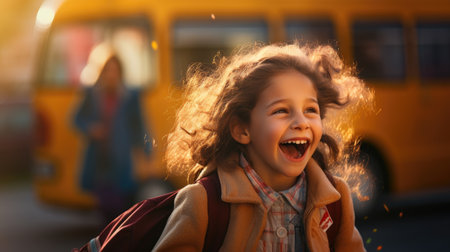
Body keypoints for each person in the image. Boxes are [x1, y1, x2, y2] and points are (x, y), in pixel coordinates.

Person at [154, 42, 368, 251]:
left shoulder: (335, 199)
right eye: (281, 110)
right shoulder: (204, 201)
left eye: (311, 110)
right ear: (242, 130)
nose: (302, 122)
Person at [74, 52, 150, 224]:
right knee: (105, 208)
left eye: (114, 70)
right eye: (107, 70)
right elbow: (76, 119)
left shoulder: (130, 95)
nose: (111, 74)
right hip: (99, 160)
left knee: (122, 207)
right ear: (102, 72)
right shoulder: (92, 94)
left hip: (122, 159)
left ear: (120, 73)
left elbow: (140, 125)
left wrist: (146, 152)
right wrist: (90, 128)